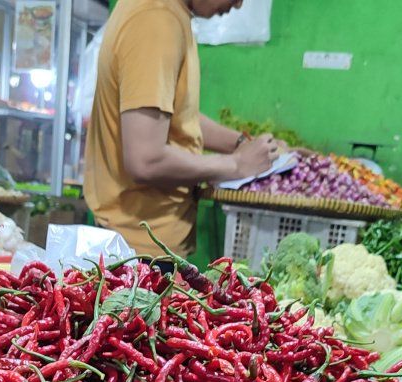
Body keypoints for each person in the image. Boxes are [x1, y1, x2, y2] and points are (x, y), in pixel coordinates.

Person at [85, 0, 281, 256]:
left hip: (143, 240)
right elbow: (146, 160)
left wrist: (240, 144)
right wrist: (235, 165)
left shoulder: (164, 12)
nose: (239, 3)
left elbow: (172, 115)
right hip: (140, 250)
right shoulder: (155, 20)